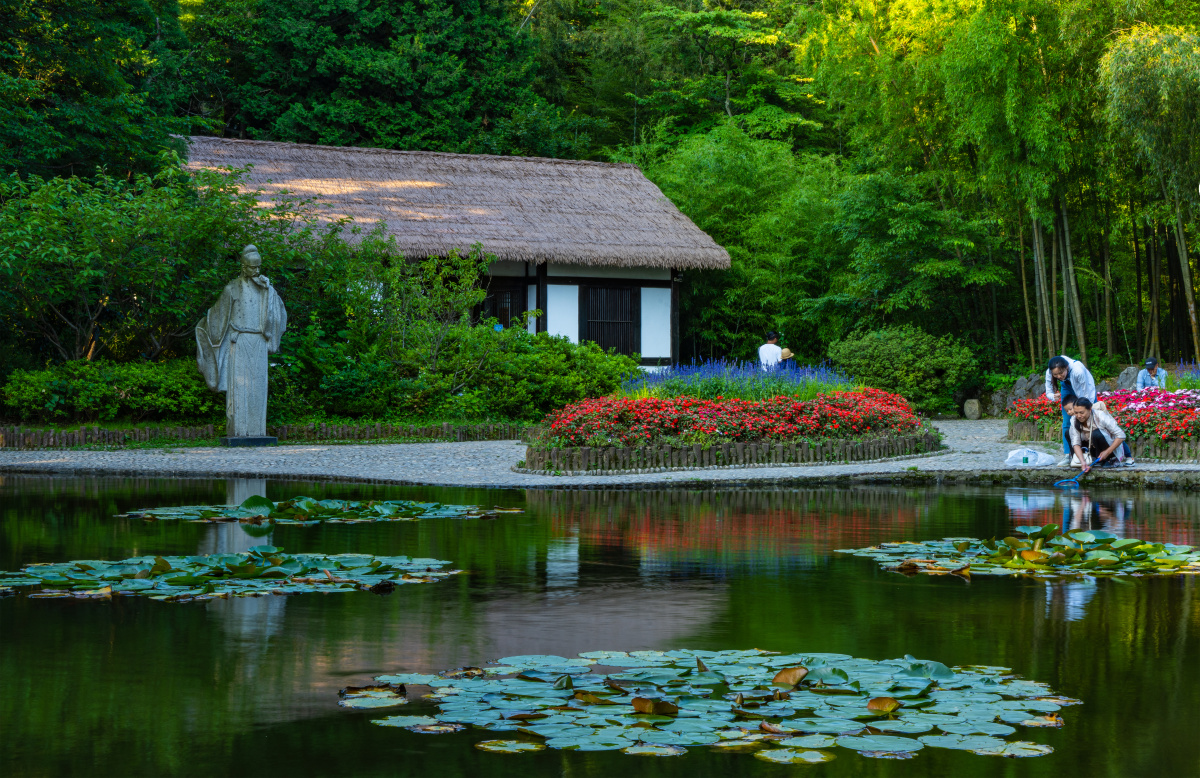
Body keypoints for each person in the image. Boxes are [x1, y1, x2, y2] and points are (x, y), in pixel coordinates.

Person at [1044, 355, 1096, 466]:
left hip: (1085, 389)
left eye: (1061, 373)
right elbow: (1048, 391)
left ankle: (1094, 452)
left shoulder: (1078, 370)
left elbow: (1087, 393)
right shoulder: (1050, 371)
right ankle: (1068, 454)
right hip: (1066, 387)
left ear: (1066, 367)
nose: (1058, 376)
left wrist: (1086, 407)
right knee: (1067, 421)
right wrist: (1053, 396)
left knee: (1091, 419)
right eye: (1055, 375)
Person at [1064, 396, 1131, 470]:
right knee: (1068, 433)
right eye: (1076, 413)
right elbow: (1075, 443)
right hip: (1089, 448)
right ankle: (1080, 460)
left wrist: (1107, 452)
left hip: (1106, 448)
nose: (1079, 416)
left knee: (1096, 434)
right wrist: (1083, 462)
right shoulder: (1074, 419)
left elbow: (1121, 435)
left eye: (1081, 413)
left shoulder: (1100, 416)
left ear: (1090, 409)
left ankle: (1109, 459)